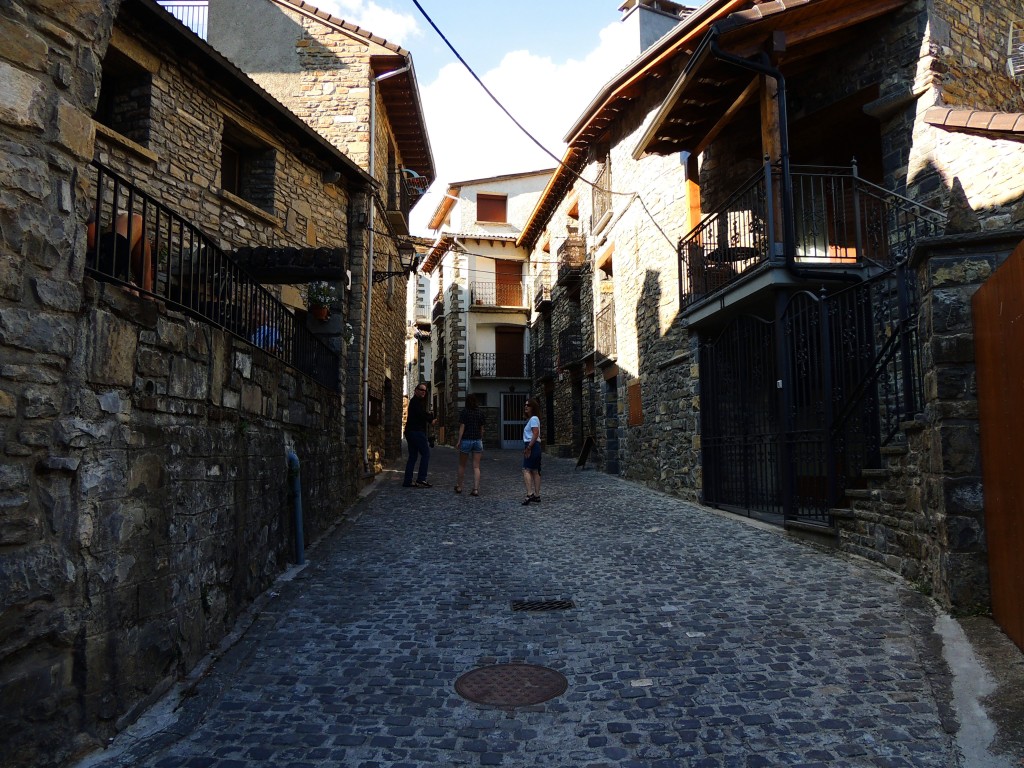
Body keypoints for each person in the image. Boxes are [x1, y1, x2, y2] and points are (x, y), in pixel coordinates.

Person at [403, 382, 435, 488]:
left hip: (411, 432)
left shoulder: (416, 402)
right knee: (425, 453)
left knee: (413, 456)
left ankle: (407, 481)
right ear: (416, 390)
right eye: (421, 390)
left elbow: (420, 414)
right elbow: (420, 415)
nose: (423, 392)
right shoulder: (415, 402)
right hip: (416, 432)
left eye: (425, 390)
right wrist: (430, 419)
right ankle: (421, 479)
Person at [455, 394, 485, 496]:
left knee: (462, 465)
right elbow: (481, 429)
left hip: (466, 440)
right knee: (476, 467)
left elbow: (462, 428)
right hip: (477, 441)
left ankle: (459, 487)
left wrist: (459, 440)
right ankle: (476, 489)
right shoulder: (480, 413)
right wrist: (480, 439)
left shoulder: (464, 412)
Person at [521, 397, 542, 505]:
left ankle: (530, 494)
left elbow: (535, 433)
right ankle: (537, 495)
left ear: (533, 407)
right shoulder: (532, 419)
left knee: (526, 470)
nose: (525, 406)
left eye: (528, 405)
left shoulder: (533, 419)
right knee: (535, 470)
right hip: (534, 445)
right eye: (525, 405)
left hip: (532, 445)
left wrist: (529, 447)